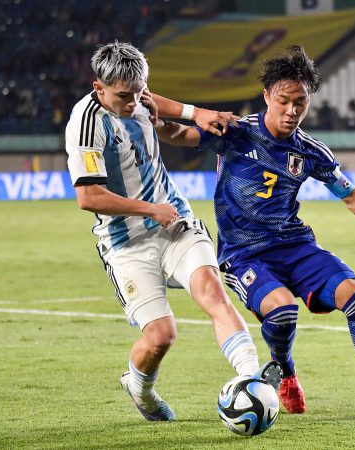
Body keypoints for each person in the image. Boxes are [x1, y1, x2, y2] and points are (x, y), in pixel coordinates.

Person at [154, 45, 355, 416]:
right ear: (266, 97)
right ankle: (285, 371)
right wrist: (152, 120)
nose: (292, 112)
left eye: (300, 103)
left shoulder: (311, 151)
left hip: (295, 245)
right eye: (284, 101)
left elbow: (350, 196)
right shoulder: (237, 133)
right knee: (284, 311)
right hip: (244, 255)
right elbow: (180, 135)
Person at [64, 41, 280, 422]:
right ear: (99, 88)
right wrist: (150, 209)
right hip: (126, 242)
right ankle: (141, 390)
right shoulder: (86, 123)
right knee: (161, 336)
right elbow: (88, 196)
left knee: (212, 291)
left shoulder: (139, 97)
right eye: (123, 96)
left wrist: (198, 113)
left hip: (175, 221)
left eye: (138, 92)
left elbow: (155, 104)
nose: (134, 103)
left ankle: (250, 380)